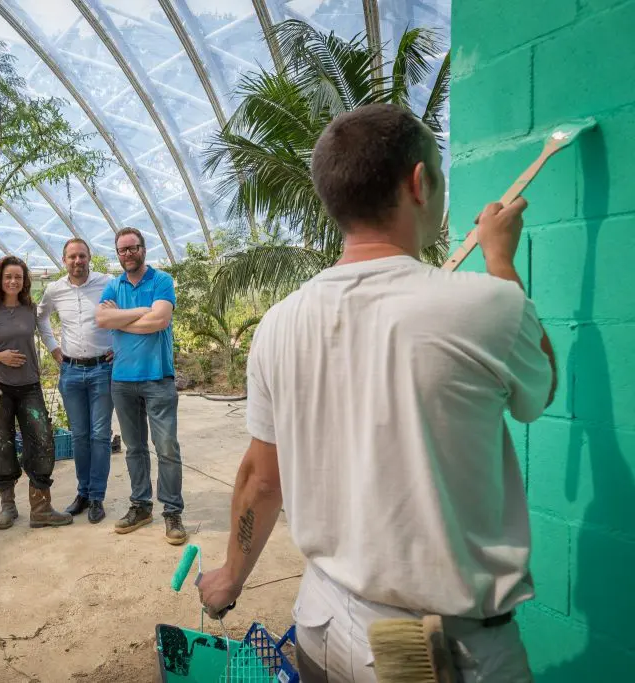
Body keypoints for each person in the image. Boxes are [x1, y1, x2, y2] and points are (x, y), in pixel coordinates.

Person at [196, 103, 557, 682]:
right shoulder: (488, 303)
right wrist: (499, 258)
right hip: (437, 655)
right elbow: (541, 390)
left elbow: (262, 479)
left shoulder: (280, 323)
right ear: (419, 183)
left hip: (320, 626)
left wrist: (230, 578)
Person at [0, 255, 73, 531]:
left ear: (25, 281)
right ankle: (8, 506)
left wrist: (60, 353)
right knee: (2, 444)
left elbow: (47, 331)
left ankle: (41, 508)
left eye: (18, 277)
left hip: (29, 386)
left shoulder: (30, 309)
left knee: (42, 440)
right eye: (8, 277)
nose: (13, 281)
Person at [95, 227, 187, 546]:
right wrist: (140, 313)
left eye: (133, 248)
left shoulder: (161, 280)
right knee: (134, 448)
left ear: (143, 249)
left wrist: (121, 320)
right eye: (122, 250)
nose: (128, 254)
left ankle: (172, 511)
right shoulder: (113, 285)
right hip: (122, 380)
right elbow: (102, 320)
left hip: (157, 378)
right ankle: (141, 506)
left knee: (166, 448)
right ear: (118, 254)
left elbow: (160, 320)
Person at [36, 238, 115, 524]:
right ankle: (83, 493)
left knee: (100, 435)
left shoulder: (107, 283)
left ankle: (97, 497)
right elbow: (40, 317)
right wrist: (53, 348)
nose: (77, 261)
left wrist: (118, 345)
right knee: (80, 436)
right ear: (64, 260)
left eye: (82, 256)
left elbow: (125, 313)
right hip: (70, 371)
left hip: (102, 370)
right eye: (72, 257)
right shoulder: (54, 290)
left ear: (89, 257)